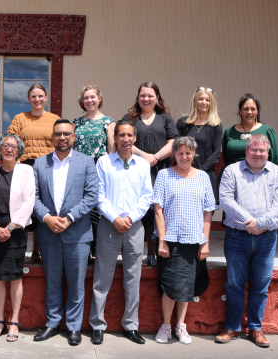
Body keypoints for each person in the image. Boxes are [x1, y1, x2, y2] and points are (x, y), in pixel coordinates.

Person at [216, 134, 278, 348]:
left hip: (267, 238)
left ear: (268, 153)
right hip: (237, 236)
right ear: (247, 151)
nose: (258, 154)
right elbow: (226, 201)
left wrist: (261, 224)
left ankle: (255, 328)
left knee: (260, 285)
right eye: (254, 150)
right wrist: (251, 222)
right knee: (234, 284)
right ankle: (232, 327)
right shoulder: (232, 171)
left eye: (262, 151)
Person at [32, 119, 98, 346]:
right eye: (58, 133)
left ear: (73, 137)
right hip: (48, 232)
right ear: (52, 138)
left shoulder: (87, 162)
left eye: (66, 134)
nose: (62, 137)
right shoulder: (40, 164)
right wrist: (48, 218)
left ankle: (73, 327)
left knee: (76, 283)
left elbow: (92, 196)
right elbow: (34, 197)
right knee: (52, 282)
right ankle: (52, 323)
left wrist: (69, 218)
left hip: (77, 233)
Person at [89, 119, 153, 346]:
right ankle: (97, 324)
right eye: (121, 135)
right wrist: (115, 218)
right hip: (109, 225)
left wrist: (130, 218)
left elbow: (147, 197)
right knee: (102, 277)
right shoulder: (104, 162)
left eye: (129, 136)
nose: (125, 139)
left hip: (135, 227)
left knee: (133, 278)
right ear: (115, 138)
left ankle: (131, 325)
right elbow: (98, 194)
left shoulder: (143, 165)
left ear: (135, 139)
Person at [153, 136, 218, 345]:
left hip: (193, 240)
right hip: (169, 240)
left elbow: (208, 212)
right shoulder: (164, 175)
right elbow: (158, 210)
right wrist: (162, 240)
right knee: (169, 284)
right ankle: (165, 326)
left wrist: (205, 242)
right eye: (180, 153)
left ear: (193, 154)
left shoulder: (203, 177)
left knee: (186, 285)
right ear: (174, 155)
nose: (184, 156)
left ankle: (181, 325)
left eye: (188, 153)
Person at [0, 134, 35, 342]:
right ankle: (0, 321)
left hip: (16, 231)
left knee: (14, 276)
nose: (9, 149)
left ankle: (14, 322)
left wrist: (9, 228)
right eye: (5, 146)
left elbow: (28, 203)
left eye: (13, 146)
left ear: (18, 151)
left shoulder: (26, 171)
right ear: (0, 152)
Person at [122, 81, 178, 265]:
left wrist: (156, 157)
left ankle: (155, 251)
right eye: (142, 95)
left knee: (157, 210)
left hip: (160, 170)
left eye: (150, 95)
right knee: (140, 211)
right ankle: (138, 252)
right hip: (135, 170)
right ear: (138, 97)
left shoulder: (165, 119)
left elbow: (173, 142)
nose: (146, 99)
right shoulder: (130, 118)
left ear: (157, 98)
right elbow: (125, 140)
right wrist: (145, 156)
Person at [7, 83, 61, 263]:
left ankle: (38, 249)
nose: (37, 99)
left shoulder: (54, 119)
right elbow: (11, 139)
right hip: (25, 165)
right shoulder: (20, 118)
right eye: (33, 96)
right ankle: (21, 247)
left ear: (46, 98)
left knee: (44, 205)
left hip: (47, 165)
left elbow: (61, 142)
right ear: (29, 99)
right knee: (24, 206)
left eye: (40, 96)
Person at [73, 85, 115, 262]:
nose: (89, 100)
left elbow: (112, 149)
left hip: (100, 167)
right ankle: (85, 248)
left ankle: (99, 249)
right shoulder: (76, 122)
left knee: (99, 207)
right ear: (82, 101)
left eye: (92, 97)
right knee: (84, 208)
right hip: (81, 167)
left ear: (99, 99)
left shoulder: (109, 122)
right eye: (86, 98)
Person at [176, 87, 223, 204]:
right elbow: (176, 148)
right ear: (195, 101)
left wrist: (200, 171)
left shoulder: (216, 124)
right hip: (184, 174)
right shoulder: (183, 123)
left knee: (206, 213)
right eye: (201, 99)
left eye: (207, 100)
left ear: (211, 103)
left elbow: (217, 151)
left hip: (206, 173)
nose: (204, 102)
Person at [219, 93, 278, 182]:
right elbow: (226, 158)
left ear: (258, 111)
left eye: (253, 109)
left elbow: (274, 159)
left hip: (259, 179)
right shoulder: (229, 132)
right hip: (231, 179)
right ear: (240, 110)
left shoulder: (267, 131)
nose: (249, 112)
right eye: (245, 109)